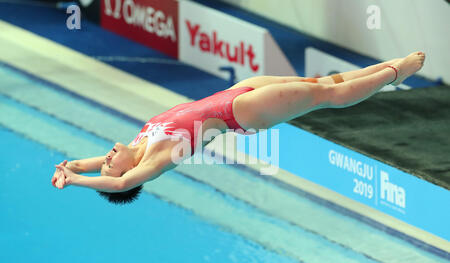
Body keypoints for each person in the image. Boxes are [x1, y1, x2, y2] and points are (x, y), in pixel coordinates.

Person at [51, 52, 425, 204]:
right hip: (241, 113)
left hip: (233, 93)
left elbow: (95, 166)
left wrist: (69, 170)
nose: (108, 157)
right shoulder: (155, 160)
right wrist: (80, 183)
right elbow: (118, 184)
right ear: (130, 173)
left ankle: (386, 68)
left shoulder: (135, 145)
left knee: (317, 84)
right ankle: (394, 75)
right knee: (326, 96)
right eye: (109, 164)